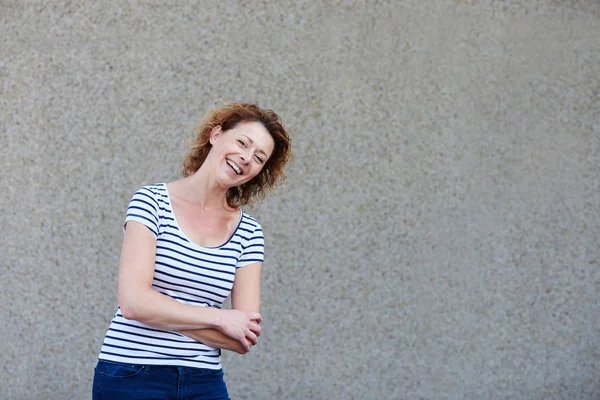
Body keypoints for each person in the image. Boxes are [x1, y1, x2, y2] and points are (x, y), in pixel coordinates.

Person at [92, 103, 292, 400]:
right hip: (131, 373)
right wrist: (218, 318)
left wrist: (160, 311)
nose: (246, 158)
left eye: (259, 157)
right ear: (215, 135)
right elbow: (133, 303)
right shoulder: (152, 202)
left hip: (204, 381)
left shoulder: (249, 233)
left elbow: (242, 336)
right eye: (242, 142)